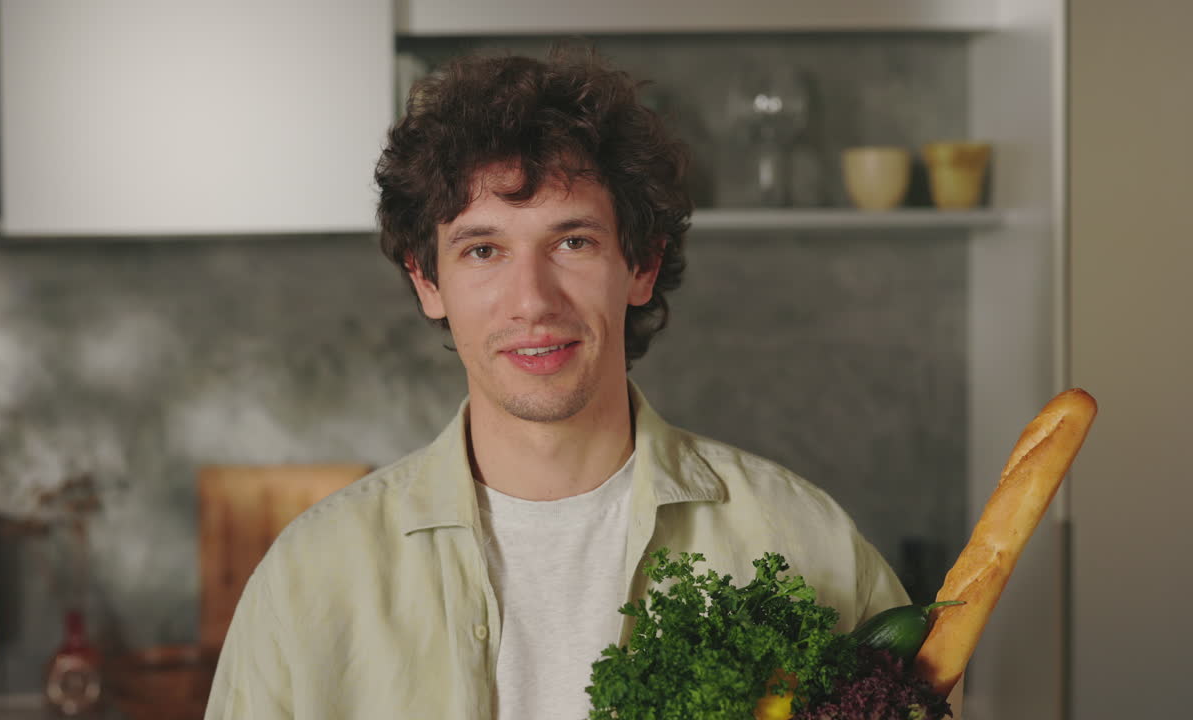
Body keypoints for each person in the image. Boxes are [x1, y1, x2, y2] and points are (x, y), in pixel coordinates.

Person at [204, 49, 913, 720]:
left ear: (641, 264)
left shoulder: (808, 544)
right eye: (483, 250)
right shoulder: (310, 578)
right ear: (428, 281)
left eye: (573, 242)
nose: (532, 301)